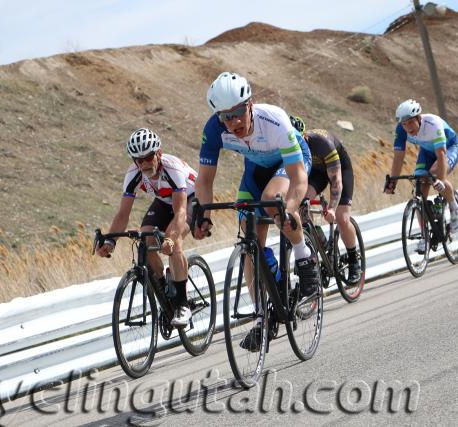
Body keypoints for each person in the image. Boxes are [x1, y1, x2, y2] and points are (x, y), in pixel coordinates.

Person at [194, 71, 320, 350]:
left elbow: (299, 179)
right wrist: (204, 214)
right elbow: (204, 180)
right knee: (248, 240)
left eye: (238, 112)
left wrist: (288, 209)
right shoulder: (214, 129)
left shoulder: (274, 120)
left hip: (290, 164)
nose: (234, 121)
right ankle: (264, 316)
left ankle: (304, 257)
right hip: (255, 171)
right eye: (226, 116)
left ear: (250, 104)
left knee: (273, 199)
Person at [95, 128, 197, 327]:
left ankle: (182, 304)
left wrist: (170, 238)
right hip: (164, 200)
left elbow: (180, 212)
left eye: (148, 157)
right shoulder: (134, 174)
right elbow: (123, 213)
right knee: (146, 239)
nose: (143, 163)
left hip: (191, 199)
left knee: (173, 243)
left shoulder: (172, 168)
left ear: (158, 153)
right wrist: (110, 240)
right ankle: (165, 296)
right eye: (138, 160)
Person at [289, 116, 361, 284]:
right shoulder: (290, 149)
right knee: (300, 204)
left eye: (299, 142)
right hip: (318, 173)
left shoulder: (321, 143)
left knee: (342, 219)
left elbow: (336, 181)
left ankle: (354, 261)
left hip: (340, 169)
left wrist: (332, 208)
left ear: (304, 136)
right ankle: (318, 240)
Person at [384, 99, 458, 252]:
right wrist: (392, 181)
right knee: (420, 189)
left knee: (434, 174)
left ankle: (454, 208)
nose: (408, 127)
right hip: (427, 152)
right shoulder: (401, 129)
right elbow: (399, 156)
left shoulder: (433, 124)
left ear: (419, 118)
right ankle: (424, 235)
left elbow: (441, 155)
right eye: (404, 124)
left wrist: (440, 180)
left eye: (410, 122)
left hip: (449, 148)